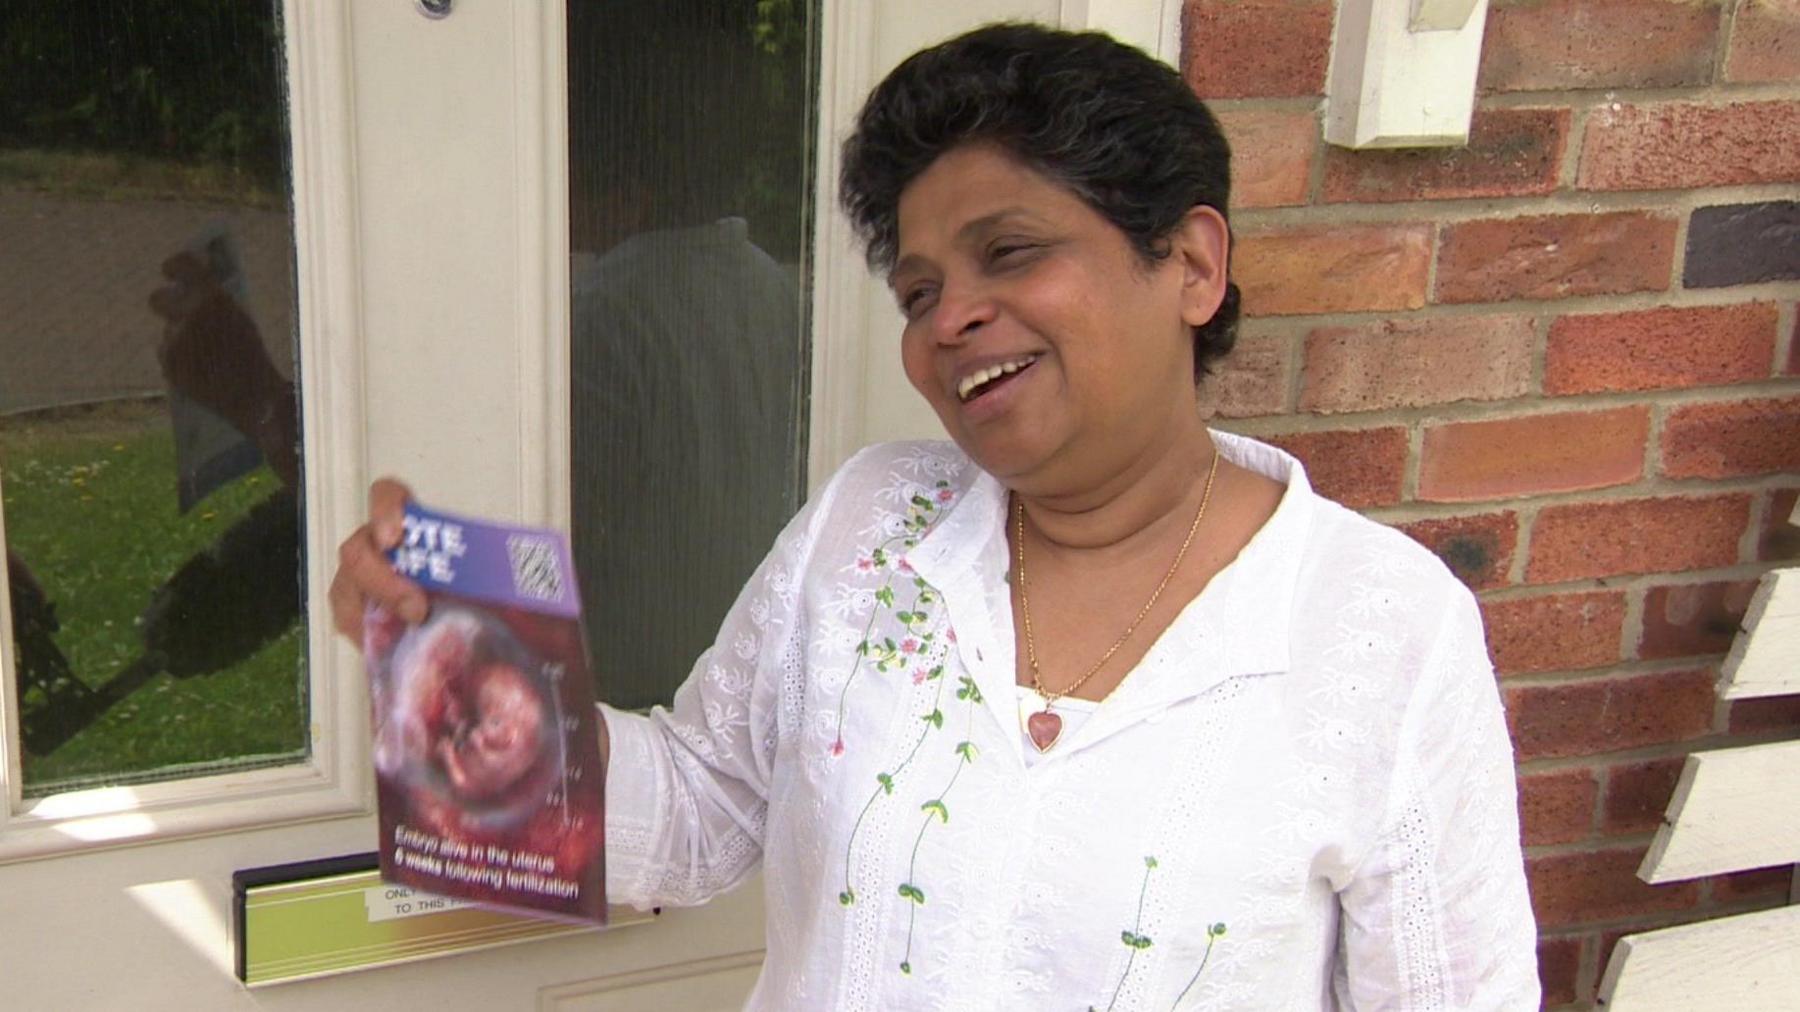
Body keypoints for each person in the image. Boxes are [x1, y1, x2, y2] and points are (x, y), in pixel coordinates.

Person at [330, 22, 1538, 1009]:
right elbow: (696, 818)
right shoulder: (870, 527)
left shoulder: (1380, 631)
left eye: (1009, 251)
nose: (950, 318)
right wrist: (450, 652)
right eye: (920, 290)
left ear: (1192, 265)